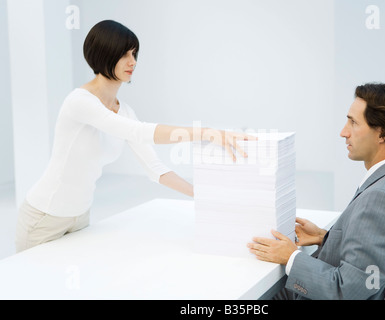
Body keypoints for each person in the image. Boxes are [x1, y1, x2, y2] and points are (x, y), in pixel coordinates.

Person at [15, 20, 254, 253]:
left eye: (134, 53)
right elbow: (140, 132)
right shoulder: (80, 102)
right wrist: (207, 133)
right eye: (124, 54)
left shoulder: (125, 111)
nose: (133, 62)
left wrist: (202, 194)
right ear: (104, 55)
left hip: (80, 216)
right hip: (44, 217)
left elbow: (155, 168)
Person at [248, 83, 385, 300]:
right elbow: (377, 252)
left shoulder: (380, 199)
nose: (343, 132)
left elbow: (348, 291)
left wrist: (291, 258)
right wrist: (324, 238)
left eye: (353, 122)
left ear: (382, 133)